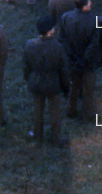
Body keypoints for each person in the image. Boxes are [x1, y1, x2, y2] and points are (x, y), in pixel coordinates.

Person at [23, 16, 69, 144]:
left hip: (36, 81)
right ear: (50, 31)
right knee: (55, 111)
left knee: (38, 109)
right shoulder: (58, 47)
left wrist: (29, 79)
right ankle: (56, 137)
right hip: (53, 83)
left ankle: (37, 135)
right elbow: (63, 70)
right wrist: (65, 87)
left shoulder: (30, 45)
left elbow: (26, 66)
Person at [57, 0, 99, 120]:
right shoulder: (94, 20)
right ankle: (88, 113)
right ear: (85, 6)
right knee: (88, 88)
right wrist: (84, 58)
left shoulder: (65, 17)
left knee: (73, 86)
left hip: (72, 59)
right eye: (89, 2)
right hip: (88, 61)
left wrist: (71, 54)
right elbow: (94, 43)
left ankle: (71, 110)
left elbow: (61, 38)